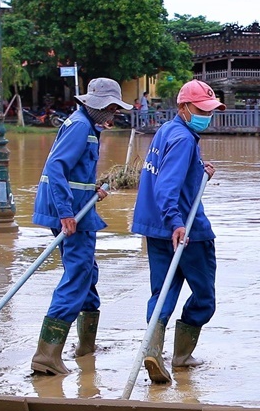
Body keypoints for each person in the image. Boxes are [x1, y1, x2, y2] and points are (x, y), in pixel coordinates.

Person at [29, 77, 123, 374]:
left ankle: (85, 348)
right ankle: (47, 356)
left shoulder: (88, 126)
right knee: (77, 275)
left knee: (87, 272)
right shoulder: (81, 126)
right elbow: (56, 167)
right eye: (110, 108)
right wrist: (66, 212)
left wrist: (93, 189)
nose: (113, 114)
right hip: (69, 212)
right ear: (95, 105)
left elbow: (74, 173)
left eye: (114, 109)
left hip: (80, 208)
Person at [131, 79, 221, 385]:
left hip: (156, 228)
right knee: (204, 297)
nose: (207, 116)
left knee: (163, 291)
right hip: (185, 230)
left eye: (210, 110)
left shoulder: (168, 131)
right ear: (183, 108)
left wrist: (199, 169)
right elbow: (167, 186)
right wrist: (177, 223)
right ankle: (181, 357)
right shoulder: (184, 139)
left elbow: (171, 173)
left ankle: (153, 351)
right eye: (201, 109)